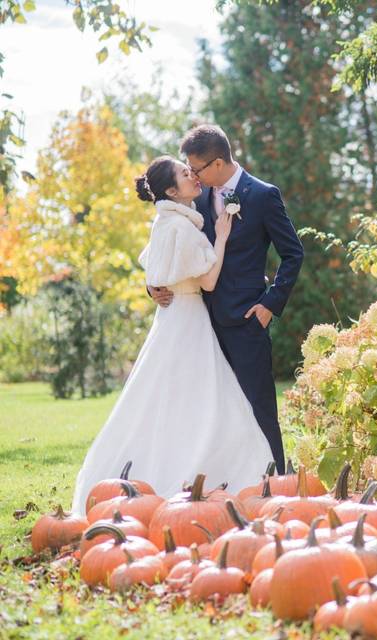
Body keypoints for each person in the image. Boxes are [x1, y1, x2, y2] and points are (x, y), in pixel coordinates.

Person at [71, 156, 274, 512]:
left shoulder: (165, 222)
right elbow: (207, 280)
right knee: (203, 398)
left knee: (164, 397)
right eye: (184, 174)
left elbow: (156, 269)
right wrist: (222, 238)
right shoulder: (183, 227)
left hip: (171, 319)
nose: (192, 176)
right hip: (190, 317)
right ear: (170, 190)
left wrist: (154, 287)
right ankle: (203, 473)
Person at [148, 125, 303, 474]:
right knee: (213, 414)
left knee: (259, 408)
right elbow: (169, 248)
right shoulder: (194, 199)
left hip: (247, 321)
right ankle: (226, 483)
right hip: (200, 323)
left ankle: (275, 482)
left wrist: (269, 305)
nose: (193, 175)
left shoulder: (263, 195)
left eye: (197, 168)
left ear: (217, 162)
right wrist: (153, 287)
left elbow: (293, 254)